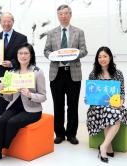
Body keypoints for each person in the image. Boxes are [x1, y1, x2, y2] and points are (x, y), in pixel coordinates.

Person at [0, 42, 46, 164]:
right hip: (15, 106)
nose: (23, 56)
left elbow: (43, 97)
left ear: (31, 55)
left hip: (32, 109)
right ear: (17, 55)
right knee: (1, 121)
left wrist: (30, 95)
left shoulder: (37, 72)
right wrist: (2, 90)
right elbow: (9, 98)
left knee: (12, 122)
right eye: (20, 53)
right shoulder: (11, 73)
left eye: (26, 53)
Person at [44, 4, 88, 144]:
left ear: (70, 15)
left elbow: (84, 50)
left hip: (73, 72)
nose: (63, 16)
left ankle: (72, 134)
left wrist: (72, 54)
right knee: (58, 104)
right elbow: (46, 51)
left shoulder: (78, 32)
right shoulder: (52, 33)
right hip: (56, 73)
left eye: (66, 13)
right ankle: (59, 134)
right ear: (58, 16)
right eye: (60, 14)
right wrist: (55, 56)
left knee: (73, 104)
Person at [86, 46, 127, 163]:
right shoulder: (93, 74)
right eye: (99, 57)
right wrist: (88, 98)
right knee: (109, 113)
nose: (102, 59)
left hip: (114, 106)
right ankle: (108, 147)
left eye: (105, 56)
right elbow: (91, 94)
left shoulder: (118, 74)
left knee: (114, 113)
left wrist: (121, 103)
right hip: (97, 108)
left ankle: (103, 146)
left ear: (110, 58)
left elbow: (122, 93)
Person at [0, 12, 27, 116]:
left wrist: (11, 63)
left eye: (8, 21)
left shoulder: (22, 38)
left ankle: (14, 125)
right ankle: (1, 124)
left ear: (13, 22)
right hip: (0, 73)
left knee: (16, 99)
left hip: (16, 72)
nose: (6, 23)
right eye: (4, 21)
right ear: (0, 23)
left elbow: (25, 56)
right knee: (2, 99)